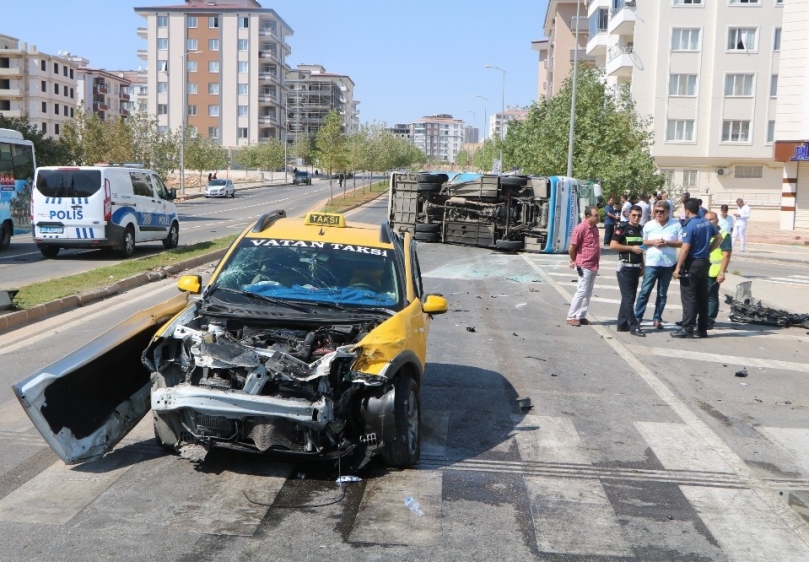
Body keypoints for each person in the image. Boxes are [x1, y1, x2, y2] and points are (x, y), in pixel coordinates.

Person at [672, 198, 721, 338]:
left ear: (687, 210)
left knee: (689, 297)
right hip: (704, 262)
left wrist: (678, 267)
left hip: (692, 263)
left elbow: (685, 248)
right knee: (702, 296)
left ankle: (687, 328)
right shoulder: (706, 223)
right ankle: (702, 328)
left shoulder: (690, 226)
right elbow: (719, 238)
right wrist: (708, 250)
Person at [634, 201, 683, 329]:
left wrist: (667, 243)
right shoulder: (649, 225)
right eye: (656, 211)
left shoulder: (676, 224)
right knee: (645, 291)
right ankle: (637, 317)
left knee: (662, 293)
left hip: (668, 264)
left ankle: (657, 318)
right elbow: (642, 242)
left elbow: (682, 243)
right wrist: (653, 242)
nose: (659, 214)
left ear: (668, 212)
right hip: (652, 263)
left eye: (662, 211)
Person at [610, 205, 645, 336]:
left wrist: (643, 265)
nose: (636, 218)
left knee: (628, 298)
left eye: (639, 215)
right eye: (634, 215)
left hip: (636, 268)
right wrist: (631, 249)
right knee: (629, 298)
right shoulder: (622, 229)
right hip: (625, 268)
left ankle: (622, 323)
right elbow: (613, 245)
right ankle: (633, 325)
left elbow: (640, 249)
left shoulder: (641, 229)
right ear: (629, 215)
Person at [566, 205, 601, 327]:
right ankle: (571, 316)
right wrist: (573, 260)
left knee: (588, 292)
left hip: (593, 264)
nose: (598, 218)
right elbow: (572, 247)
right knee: (581, 291)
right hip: (584, 264)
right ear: (587, 216)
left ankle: (581, 316)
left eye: (598, 215)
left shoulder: (595, 228)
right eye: (595, 215)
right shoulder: (580, 228)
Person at [705, 211, 732, 329]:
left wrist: (722, 273)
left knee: (711, 296)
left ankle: (710, 320)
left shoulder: (723, 234)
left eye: (711, 219)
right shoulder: (705, 233)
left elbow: (726, 255)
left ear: (717, 221)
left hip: (714, 271)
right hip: (702, 269)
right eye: (706, 220)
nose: (708, 222)